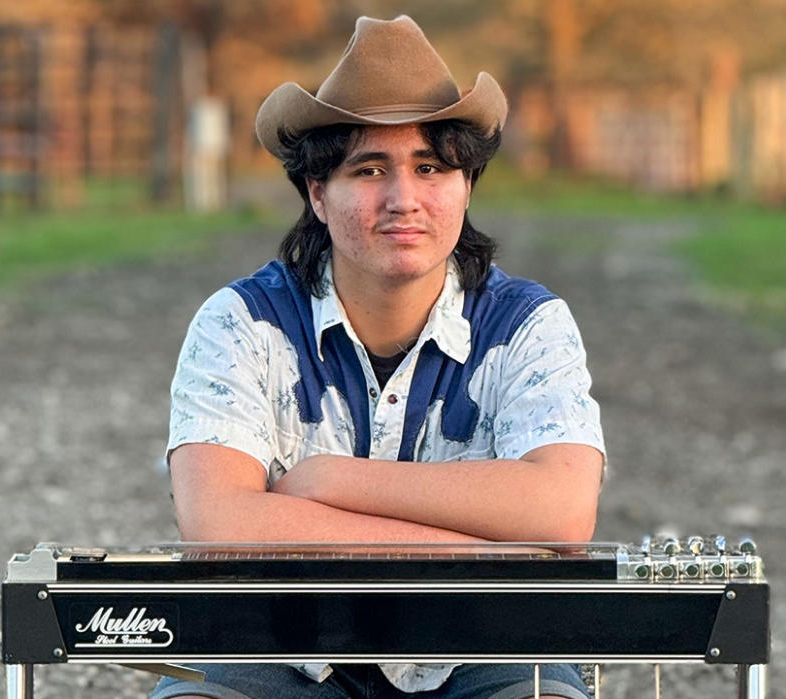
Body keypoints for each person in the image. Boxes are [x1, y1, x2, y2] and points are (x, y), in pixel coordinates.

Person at [155, 15, 606, 699]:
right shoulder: (241, 323)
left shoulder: (528, 325)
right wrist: (486, 553)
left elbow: (565, 509)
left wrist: (332, 479)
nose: (404, 199)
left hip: (485, 648)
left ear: (466, 184)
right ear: (316, 191)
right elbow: (218, 523)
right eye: (370, 169)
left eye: (430, 167)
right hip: (279, 646)